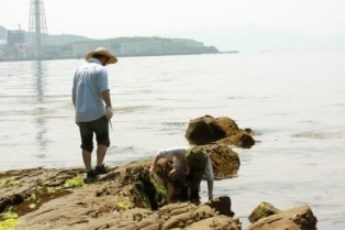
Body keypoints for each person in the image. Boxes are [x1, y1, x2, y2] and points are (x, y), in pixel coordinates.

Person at [72, 47, 117, 181]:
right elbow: (104, 90)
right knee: (103, 140)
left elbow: (74, 94)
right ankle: (99, 166)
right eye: (107, 61)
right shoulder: (101, 70)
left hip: (81, 114)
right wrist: (109, 107)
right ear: (104, 58)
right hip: (97, 112)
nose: (107, 63)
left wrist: (77, 110)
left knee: (86, 144)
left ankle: (88, 171)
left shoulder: (78, 70)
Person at [149, 146, 214, 203]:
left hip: (193, 177)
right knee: (177, 176)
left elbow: (210, 177)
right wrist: (153, 167)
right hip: (180, 173)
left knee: (198, 174)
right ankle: (178, 192)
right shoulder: (181, 151)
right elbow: (159, 153)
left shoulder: (204, 159)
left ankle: (194, 192)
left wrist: (210, 196)